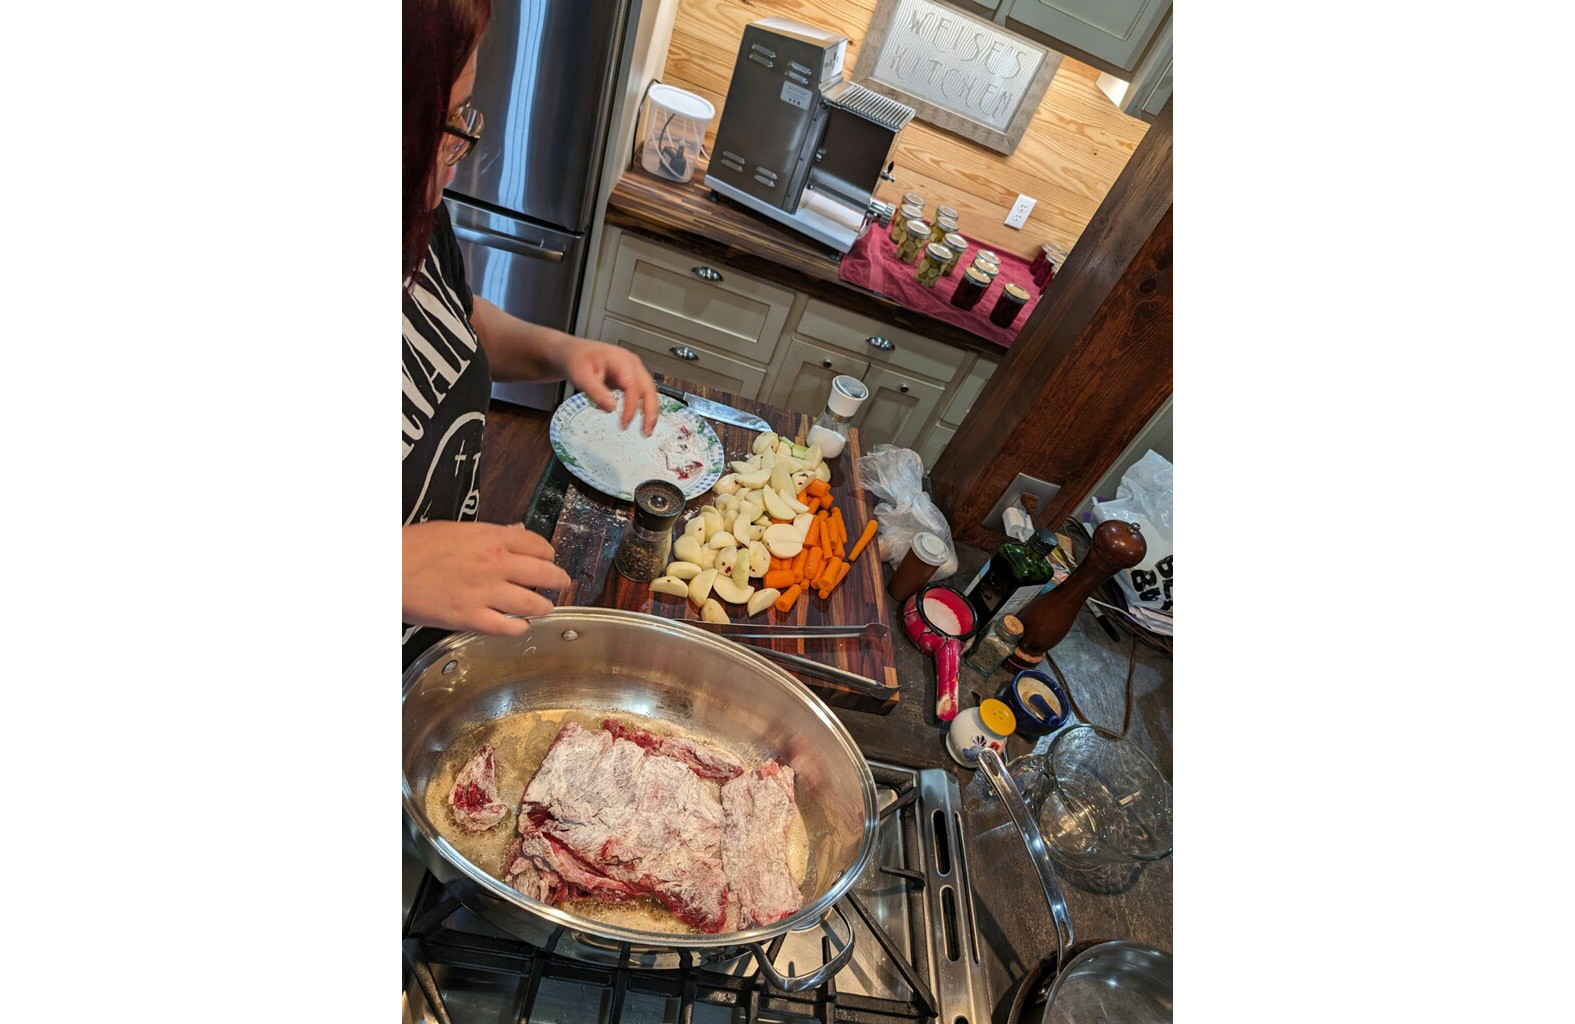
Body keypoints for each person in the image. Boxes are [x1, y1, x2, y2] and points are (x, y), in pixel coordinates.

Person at [402, 0, 658, 665]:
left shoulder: (410, 224)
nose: (463, 143)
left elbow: (452, 319)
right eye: (442, 120)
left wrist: (560, 350)